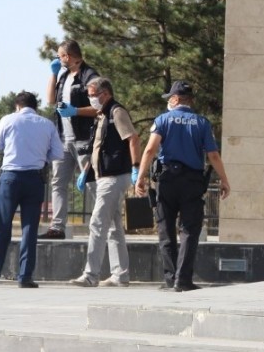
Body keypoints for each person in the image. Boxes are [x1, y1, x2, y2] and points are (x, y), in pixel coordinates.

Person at [135, 80, 231, 292]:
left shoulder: (162, 120)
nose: (169, 101)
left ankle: (170, 278)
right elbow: (213, 155)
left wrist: (140, 177)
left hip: (167, 179)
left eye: (170, 97)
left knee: (165, 229)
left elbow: (150, 150)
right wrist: (224, 180)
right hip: (192, 182)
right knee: (189, 230)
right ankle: (183, 280)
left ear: (176, 99)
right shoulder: (202, 123)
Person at [0, 91, 64, 288]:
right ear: (35, 106)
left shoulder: (8, 120)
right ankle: (25, 277)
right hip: (34, 179)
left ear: (17, 106)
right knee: (29, 229)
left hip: (10, 177)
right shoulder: (46, 124)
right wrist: (41, 157)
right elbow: (58, 153)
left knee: (2, 226)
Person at [69, 77, 142, 288]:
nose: (91, 99)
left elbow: (132, 138)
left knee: (97, 223)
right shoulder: (102, 115)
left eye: (93, 95)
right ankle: (120, 274)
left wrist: (136, 166)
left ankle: (91, 274)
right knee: (113, 226)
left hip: (114, 176)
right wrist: (86, 171)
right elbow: (97, 147)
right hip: (104, 176)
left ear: (105, 94)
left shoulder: (116, 112)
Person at [41, 40, 100, 240]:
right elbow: (50, 100)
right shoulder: (64, 76)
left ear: (68, 56)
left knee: (92, 183)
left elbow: (99, 107)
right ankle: (57, 227)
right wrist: (53, 73)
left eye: (60, 56)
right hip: (62, 138)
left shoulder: (89, 76)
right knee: (58, 182)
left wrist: (76, 111)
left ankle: (102, 223)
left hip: (83, 139)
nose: (58, 59)